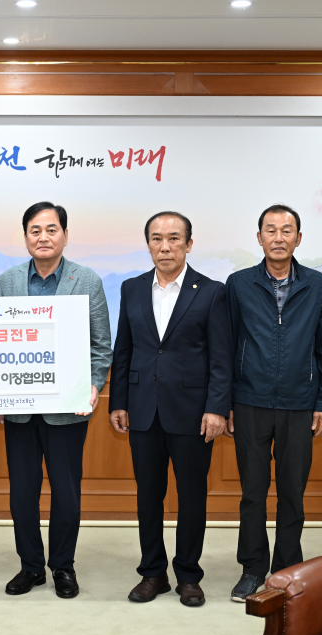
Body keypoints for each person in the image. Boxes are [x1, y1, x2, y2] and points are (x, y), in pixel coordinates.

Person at [108, 212, 232, 608]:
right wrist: (118, 401)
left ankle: (189, 576)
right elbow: (124, 349)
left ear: (189, 244)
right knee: (148, 495)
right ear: (148, 244)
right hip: (143, 409)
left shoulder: (211, 292)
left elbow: (221, 356)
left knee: (192, 496)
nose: (165, 247)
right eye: (157, 239)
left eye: (174, 238)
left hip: (193, 412)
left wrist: (217, 408)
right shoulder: (131, 288)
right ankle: (153, 573)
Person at [0, 202, 112, 599]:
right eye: (35, 230)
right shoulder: (7, 282)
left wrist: (93, 384)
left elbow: (101, 345)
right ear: (26, 236)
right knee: (22, 494)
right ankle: (30, 567)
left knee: (66, 493)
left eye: (51, 229)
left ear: (64, 234)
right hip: (20, 411)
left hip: (67, 409)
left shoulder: (86, 280)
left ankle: (62, 566)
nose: (43, 237)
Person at [225, 204, 322, 602]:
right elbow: (227, 345)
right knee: (253, 493)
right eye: (270, 230)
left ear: (298, 238)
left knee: (292, 491)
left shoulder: (317, 285)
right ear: (259, 238)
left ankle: (288, 567)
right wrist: (228, 402)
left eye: (286, 230)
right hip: (250, 402)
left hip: (299, 403)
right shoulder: (239, 284)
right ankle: (252, 568)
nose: (278, 237)